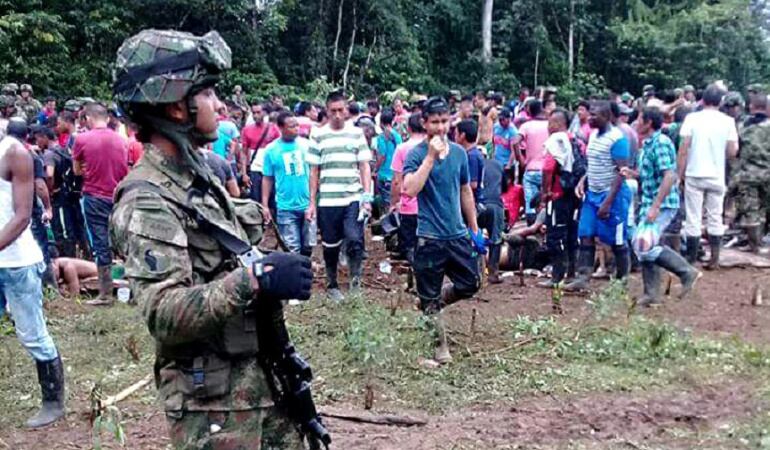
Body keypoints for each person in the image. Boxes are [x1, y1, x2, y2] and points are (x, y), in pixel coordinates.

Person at [110, 29, 316, 449]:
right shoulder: (148, 200)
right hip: (212, 404)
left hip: (257, 380)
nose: (219, 104)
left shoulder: (196, 176)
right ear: (176, 106)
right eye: (207, 93)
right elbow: (163, 313)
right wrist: (256, 278)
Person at [403, 97, 482, 364]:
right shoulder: (415, 155)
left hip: (457, 234)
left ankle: (431, 304)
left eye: (444, 121)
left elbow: (464, 190)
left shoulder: (460, 154)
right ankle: (440, 345)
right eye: (434, 122)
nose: (440, 128)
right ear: (424, 123)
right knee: (430, 294)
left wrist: (474, 228)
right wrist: (430, 157)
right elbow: (410, 189)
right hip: (430, 237)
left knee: (471, 283)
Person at [0, 119, 65, 428]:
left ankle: (53, 402)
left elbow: (23, 215)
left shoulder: (15, 154)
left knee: (32, 334)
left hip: (17, 263)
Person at [622, 107, 700, 306]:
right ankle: (652, 294)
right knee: (643, 245)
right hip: (650, 201)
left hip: (662, 203)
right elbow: (650, 173)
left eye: (639, 119)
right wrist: (633, 173)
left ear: (648, 123)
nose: (636, 123)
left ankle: (686, 271)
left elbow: (670, 174)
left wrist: (656, 206)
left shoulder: (661, 143)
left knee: (644, 246)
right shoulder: (647, 145)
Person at [307, 91, 373, 301]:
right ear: (327, 111)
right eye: (333, 111)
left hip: (352, 197)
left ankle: (355, 282)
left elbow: (364, 166)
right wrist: (312, 203)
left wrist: (366, 197)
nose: (337, 114)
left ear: (346, 110)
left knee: (355, 239)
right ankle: (332, 283)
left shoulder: (356, 133)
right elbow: (314, 171)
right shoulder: (317, 134)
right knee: (330, 244)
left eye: (341, 110)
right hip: (328, 200)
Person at [565, 100, 632, 291]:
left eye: (595, 115)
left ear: (607, 117)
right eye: (591, 114)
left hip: (612, 195)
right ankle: (583, 277)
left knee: (617, 239)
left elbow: (622, 172)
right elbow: (593, 165)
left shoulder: (618, 139)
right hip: (592, 194)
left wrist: (608, 202)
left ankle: (621, 279)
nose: (591, 117)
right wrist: (582, 181)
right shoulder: (593, 136)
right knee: (585, 234)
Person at [72, 102, 129, 305]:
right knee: (125, 241)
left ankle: (105, 294)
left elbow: (77, 170)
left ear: (87, 118)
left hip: (94, 196)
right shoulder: (122, 140)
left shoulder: (82, 139)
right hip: (118, 196)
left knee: (100, 243)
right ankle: (134, 287)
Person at [677, 84, 739, 269]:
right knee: (715, 216)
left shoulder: (692, 119)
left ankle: (691, 258)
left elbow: (683, 149)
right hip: (716, 175)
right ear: (721, 102)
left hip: (694, 174)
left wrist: (680, 174)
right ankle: (715, 258)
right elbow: (733, 151)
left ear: (702, 100)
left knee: (693, 217)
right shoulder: (727, 121)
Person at [537, 108, 579, 288]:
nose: (548, 125)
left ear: (558, 123)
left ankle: (557, 276)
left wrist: (545, 192)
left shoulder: (556, 139)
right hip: (571, 193)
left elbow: (548, 167)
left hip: (557, 193)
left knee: (555, 235)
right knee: (570, 233)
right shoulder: (573, 139)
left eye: (550, 122)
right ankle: (571, 273)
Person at [262, 111, 313, 256]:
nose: (296, 128)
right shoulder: (271, 150)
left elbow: (315, 173)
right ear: (281, 128)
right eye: (291, 126)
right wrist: (265, 205)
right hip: (285, 206)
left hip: (307, 204)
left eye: (297, 125)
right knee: (291, 247)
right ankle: (295, 276)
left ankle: (305, 272)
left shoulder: (306, 146)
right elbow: (267, 178)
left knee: (308, 245)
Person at [731, 89, 770, 253]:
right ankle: (762, 241)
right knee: (765, 208)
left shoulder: (742, 127)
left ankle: (754, 245)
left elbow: (735, 151)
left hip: (748, 175)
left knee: (750, 210)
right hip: (768, 174)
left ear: (751, 107)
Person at [390, 113, 425, 263]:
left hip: (408, 203)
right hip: (428, 205)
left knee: (410, 243)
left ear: (409, 128)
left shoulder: (402, 149)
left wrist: (394, 202)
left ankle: (413, 271)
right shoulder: (432, 148)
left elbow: (397, 181)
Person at [515, 100, 550, 225]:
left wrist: (521, 160)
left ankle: (531, 232)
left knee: (530, 204)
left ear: (529, 111)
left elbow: (514, 142)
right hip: (547, 171)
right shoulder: (550, 125)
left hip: (531, 170)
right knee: (546, 202)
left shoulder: (526, 126)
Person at [242, 102, 280, 202]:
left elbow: (279, 149)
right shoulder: (246, 130)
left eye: (258, 112)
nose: (256, 115)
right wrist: (244, 173)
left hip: (272, 168)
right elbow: (244, 153)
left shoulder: (273, 128)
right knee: (256, 199)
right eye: (253, 113)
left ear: (264, 113)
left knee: (273, 200)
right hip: (255, 169)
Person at [373, 108, 402, 212]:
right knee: (394, 205)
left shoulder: (381, 138)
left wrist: (375, 169)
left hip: (384, 176)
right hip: (396, 176)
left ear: (381, 122)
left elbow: (382, 156)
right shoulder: (398, 136)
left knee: (386, 206)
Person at [492, 107, 519, 178]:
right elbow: (493, 142)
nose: (501, 122)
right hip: (497, 160)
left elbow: (514, 150)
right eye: (500, 120)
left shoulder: (513, 131)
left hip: (506, 162)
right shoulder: (496, 127)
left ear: (509, 119)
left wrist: (509, 165)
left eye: (503, 120)